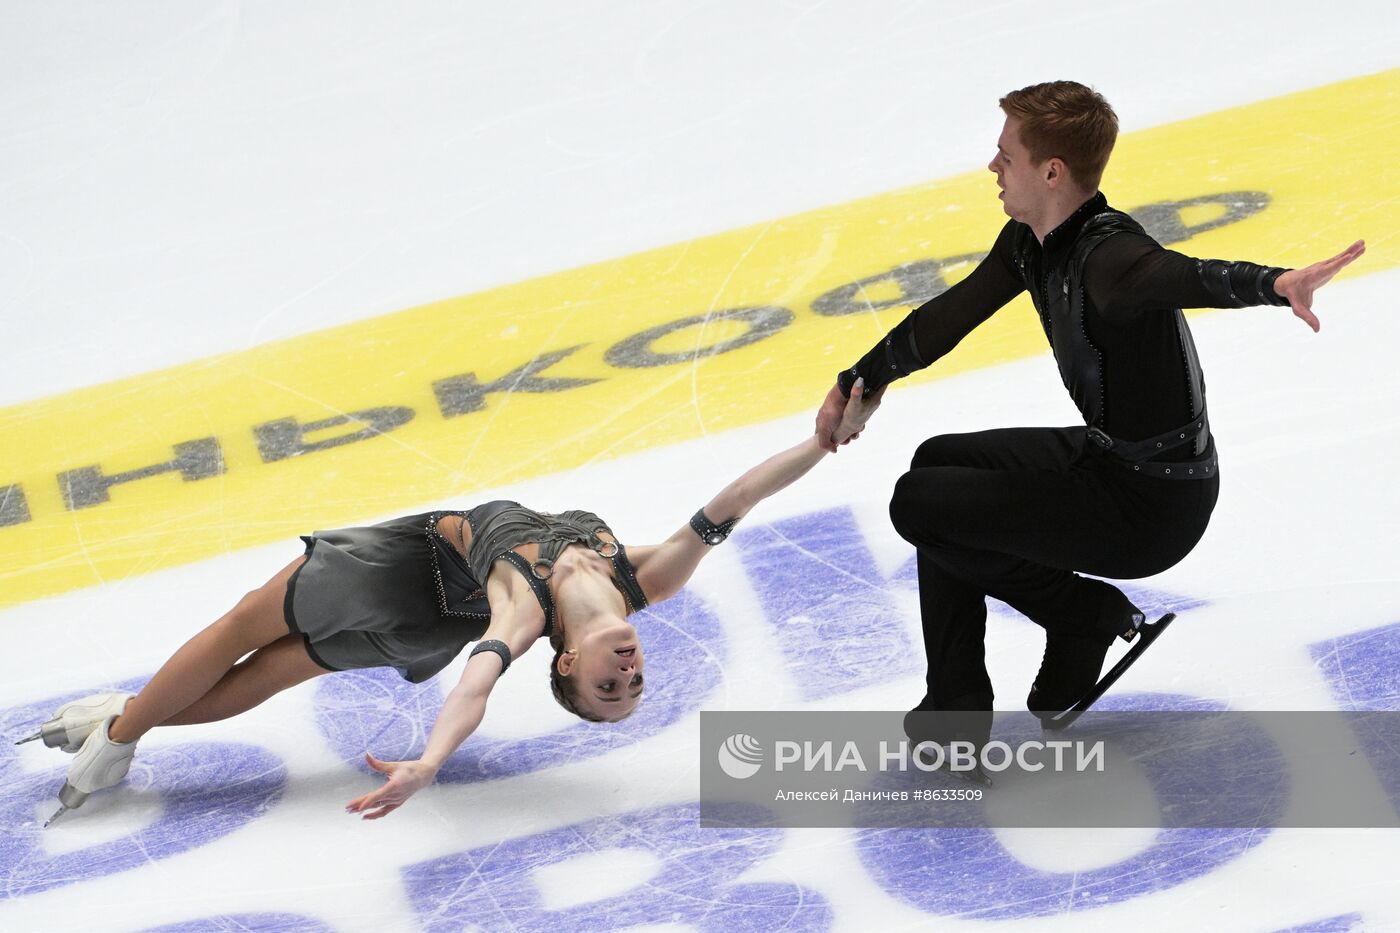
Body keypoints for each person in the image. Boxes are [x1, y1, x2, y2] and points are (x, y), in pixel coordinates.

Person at [27, 387, 881, 823]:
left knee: (244, 630)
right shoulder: (650, 578)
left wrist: (430, 761)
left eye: (607, 689)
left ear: (567, 663)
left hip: (402, 570)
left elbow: (472, 689)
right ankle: (119, 724)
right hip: (434, 618)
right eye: (637, 683)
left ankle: (120, 733)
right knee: (279, 671)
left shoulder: (523, 614)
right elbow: (737, 497)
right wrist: (818, 440)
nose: (630, 672)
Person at [813, 80, 1364, 749]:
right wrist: (859, 383)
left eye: (1005, 156)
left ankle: (1082, 615)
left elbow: (1187, 274)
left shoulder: (1112, 259)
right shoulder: (1028, 242)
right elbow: (945, 319)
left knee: (919, 502)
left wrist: (1274, 284)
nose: (993, 167)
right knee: (938, 462)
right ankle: (957, 701)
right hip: (1111, 459)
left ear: (1052, 171)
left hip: (1152, 506)